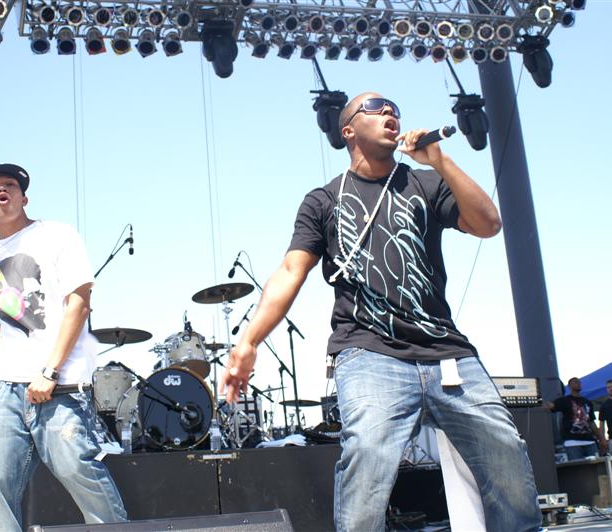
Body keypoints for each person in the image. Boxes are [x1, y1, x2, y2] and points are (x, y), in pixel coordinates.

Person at [221, 93, 541, 531]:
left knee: (504, 447)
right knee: (367, 452)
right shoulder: (323, 201)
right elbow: (291, 271)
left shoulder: (425, 183)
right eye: (375, 107)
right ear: (348, 129)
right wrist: (249, 341)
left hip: (446, 351)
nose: (390, 112)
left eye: (394, 108)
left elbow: (488, 224)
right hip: (369, 352)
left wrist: (440, 161)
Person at [0, 163, 127, 531]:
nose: (3, 190)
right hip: (6, 389)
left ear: (24, 198)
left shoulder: (57, 235)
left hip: (60, 384)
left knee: (77, 469)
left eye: (11, 185)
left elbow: (80, 303)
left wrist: (50, 370)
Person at [547, 377, 606, 460]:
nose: (578, 384)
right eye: (575, 382)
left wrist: (601, 439)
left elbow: (591, 422)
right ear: (569, 386)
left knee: (596, 464)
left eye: (579, 382)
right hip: (572, 442)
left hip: (589, 441)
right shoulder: (564, 401)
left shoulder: (587, 402)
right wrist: (540, 400)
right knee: (577, 466)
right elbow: (551, 406)